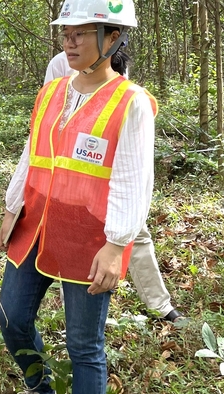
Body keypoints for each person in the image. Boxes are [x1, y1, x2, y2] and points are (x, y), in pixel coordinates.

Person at [0, 0, 157, 394]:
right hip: (38, 226)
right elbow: (33, 154)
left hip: (91, 240)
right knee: (11, 316)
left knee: (85, 346)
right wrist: (12, 206)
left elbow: (132, 180)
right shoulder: (53, 91)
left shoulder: (131, 103)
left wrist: (117, 243)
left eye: (81, 33)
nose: (69, 42)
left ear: (112, 37)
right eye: (66, 33)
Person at [45, 51, 183, 322]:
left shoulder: (115, 60)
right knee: (72, 243)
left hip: (113, 171)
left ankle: (161, 305)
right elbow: (51, 117)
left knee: (135, 233)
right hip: (75, 176)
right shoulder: (61, 63)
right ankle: (73, 311)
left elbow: (119, 112)